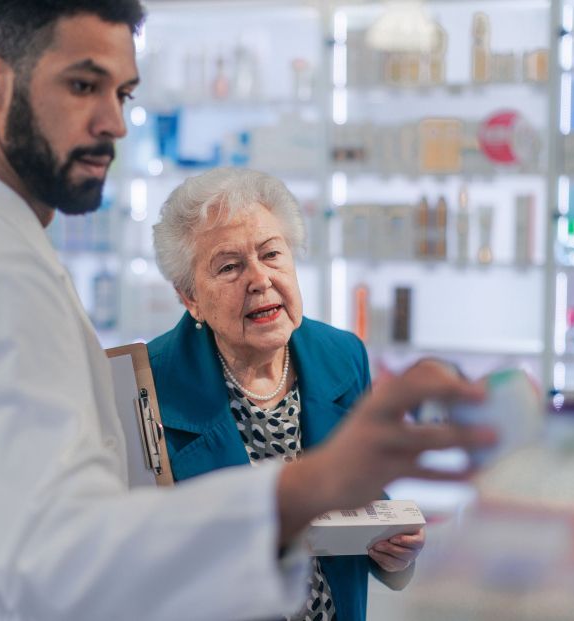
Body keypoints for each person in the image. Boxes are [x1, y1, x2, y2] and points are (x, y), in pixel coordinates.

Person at [0, 1, 493, 619]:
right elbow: (61, 557)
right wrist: (311, 486)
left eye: (122, 94)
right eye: (83, 85)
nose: (115, 122)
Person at [149, 167, 420, 621]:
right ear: (190, 298)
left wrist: (396, 551)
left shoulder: (342, 355)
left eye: (271, 254)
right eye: (230, 266)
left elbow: (361, 490)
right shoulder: (150, 384)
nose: (260, 279)